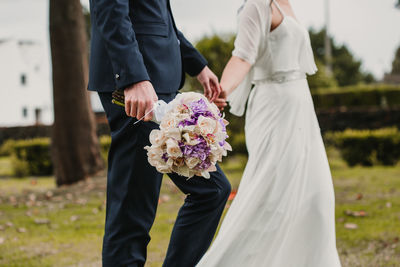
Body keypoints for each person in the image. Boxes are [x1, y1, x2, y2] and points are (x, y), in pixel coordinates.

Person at [87, 0, 231, 266]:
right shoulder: (135, 83)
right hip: (138, 89)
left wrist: (197, 65)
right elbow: (109, 6)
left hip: (156, 83)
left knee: (212, 190)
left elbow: (157, 15)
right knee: (132, 210)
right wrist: (132, 77)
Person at [198, 0, 341, 266]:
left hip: (300, 105)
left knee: (316, 194)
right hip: (273, 107)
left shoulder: (285, 3)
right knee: (271, 193)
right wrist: (221, 92)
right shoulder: (256, 5)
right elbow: (242, 56)